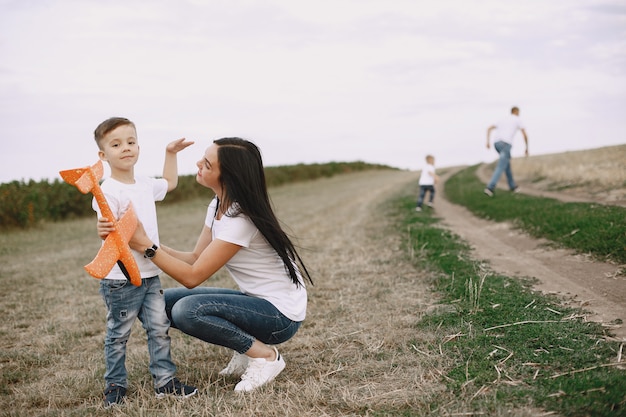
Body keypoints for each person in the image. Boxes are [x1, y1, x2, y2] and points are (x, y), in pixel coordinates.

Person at [97, 137, 313, 393]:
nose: (198, 163)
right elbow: (195, 257)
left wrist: (147, 247)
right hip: (256, 302)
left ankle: (265, 356)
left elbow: (192, 276)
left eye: (207, 164)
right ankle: (246, 348)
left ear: (228, 176)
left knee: (187, 310)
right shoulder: (218, 205)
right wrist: (142, 240)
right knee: (161, 303)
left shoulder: (241, 219)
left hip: (280, 317)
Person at [92, 117, 197, 408]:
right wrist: (102, 228)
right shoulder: (108, 190)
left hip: (151, 273)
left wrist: (171, 153)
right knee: (119, 334)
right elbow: (106, 226)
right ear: (103, 155)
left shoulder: (145, 184)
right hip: (120, 278)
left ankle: (165, 382)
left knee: (159, 329)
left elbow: (171, 183)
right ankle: (115, 385)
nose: (125, 148)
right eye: (116, 144)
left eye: (130, 141)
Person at [484, 106, 529, 196]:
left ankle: (513, 186)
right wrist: (526, 147)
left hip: (496, 144)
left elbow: (489, 128)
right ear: (516, 112)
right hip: (505, 144)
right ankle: (490, 188)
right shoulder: (517, 119)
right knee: (501, 166)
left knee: (506, 164)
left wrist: (488, 142)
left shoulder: (502, 119)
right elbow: (524, 133)